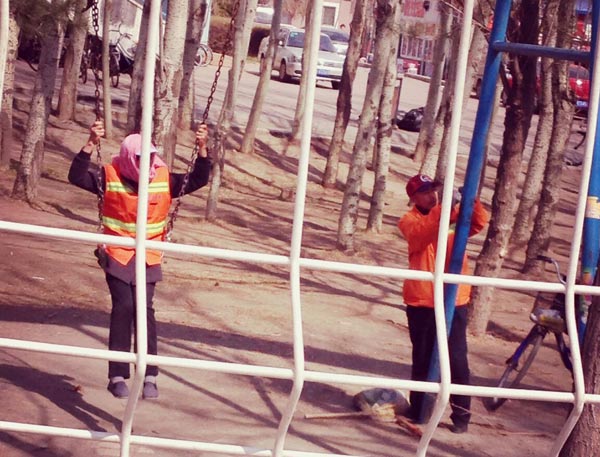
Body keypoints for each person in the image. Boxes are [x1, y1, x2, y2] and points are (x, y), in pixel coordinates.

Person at [69, 121, 212, 400]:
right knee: (124, 306)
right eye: (140, 158)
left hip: (148, 255)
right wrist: (89, 144)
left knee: (144, 309)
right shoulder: (108, 176)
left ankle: (149, 375)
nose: (147, 162)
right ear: (128, 157)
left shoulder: (162, 177)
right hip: (117, 253)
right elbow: (75, 176)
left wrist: (203, 148)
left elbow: (198, 179)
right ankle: (117, 374)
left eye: (150, 157)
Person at [397, 174, 490, 433]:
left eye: (434, 190)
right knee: (423, 357)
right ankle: (420, 412)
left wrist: (471, 199)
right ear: (413, 198)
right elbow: (421, 235)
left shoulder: (450, 214)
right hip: (422, 300)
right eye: (425, 192)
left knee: (457, 359)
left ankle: (462, 417)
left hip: (454, 298)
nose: (431, 195)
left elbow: (479, 223)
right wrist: (445, 209)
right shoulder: (410, 220)